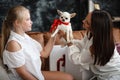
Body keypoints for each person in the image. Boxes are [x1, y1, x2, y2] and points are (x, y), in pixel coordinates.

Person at [0, 5, 73, 80]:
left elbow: (44, 53)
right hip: (25, 78)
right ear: (17, 23)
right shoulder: (13, 44)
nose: (31, 22)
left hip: (35, 73)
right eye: (28, 19)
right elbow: (23, 73)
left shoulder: (25, 37)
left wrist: (54, 35)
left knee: (69, 77)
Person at [66, 10, 120, 80]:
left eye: (87, 22)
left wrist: (70, 45)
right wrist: (70, 40)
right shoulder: (91, 34)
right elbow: (83, 44)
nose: (83, 21)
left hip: (113, 76)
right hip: (102, 74)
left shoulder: (96, 46)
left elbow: (77, 59)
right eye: (85, 18)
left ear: (95, 28)